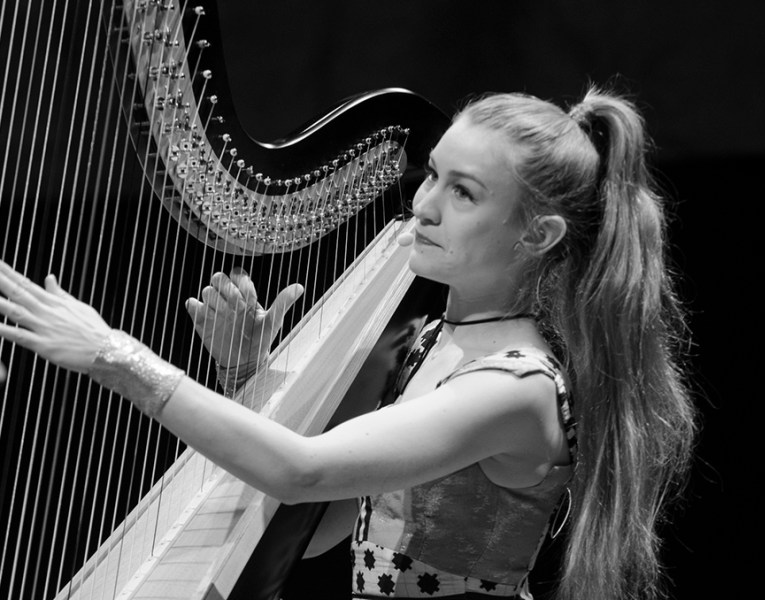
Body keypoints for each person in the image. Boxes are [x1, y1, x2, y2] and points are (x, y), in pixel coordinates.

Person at [0, 85, 695, 600]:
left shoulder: (515, 388)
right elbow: (319, 527)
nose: (422, 204)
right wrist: (249, 369)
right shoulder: (427, 342)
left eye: (464, 193)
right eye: (431, 175)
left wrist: (117, 356)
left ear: (537, 235)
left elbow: (302, 471)